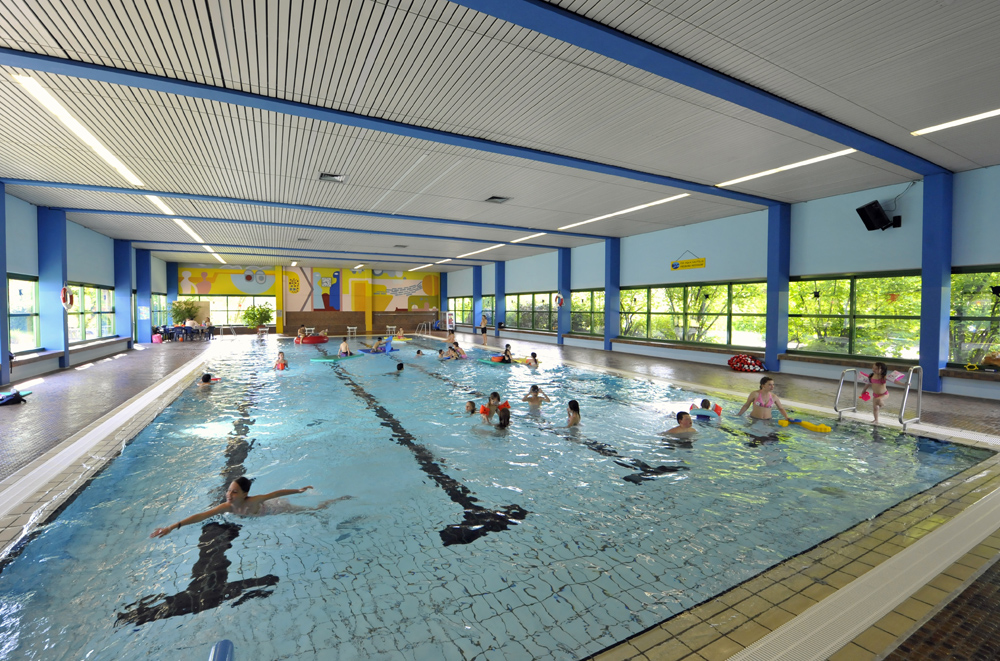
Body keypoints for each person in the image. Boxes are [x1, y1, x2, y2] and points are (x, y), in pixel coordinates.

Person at [150, 477, 350, 538]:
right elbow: (201, 515)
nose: (229, 494)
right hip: (260, 514)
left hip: (276, 508)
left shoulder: (253, 501)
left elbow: (276, 494)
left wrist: (298, 491)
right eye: (229, 490)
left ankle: (333, 501)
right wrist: (171, 527)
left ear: (245, 494)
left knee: (314, 512)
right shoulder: (226, 507)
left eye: (234, 492)